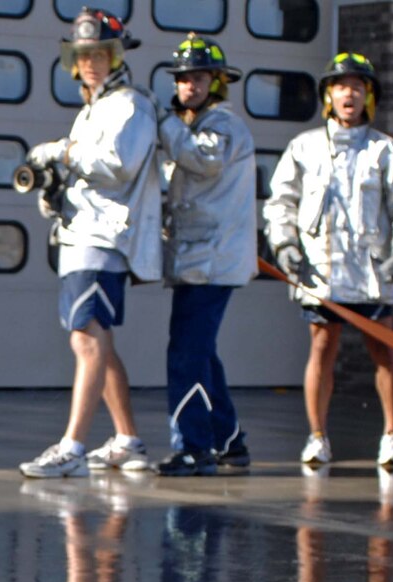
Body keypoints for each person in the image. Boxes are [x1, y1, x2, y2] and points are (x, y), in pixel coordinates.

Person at [261, 52, 393, 470]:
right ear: (328, 96)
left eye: (357, 86)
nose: (348, 93)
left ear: (368, 96)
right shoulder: (304, 147)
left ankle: (392, 437)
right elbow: (280, 201)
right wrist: (283, 245)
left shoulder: (386, 151)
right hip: (320, 270)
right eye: (340, 86)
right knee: (322, 346)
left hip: (373, 273)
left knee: (383, 350)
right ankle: (317, 437)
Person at [18, 7, 162, 479]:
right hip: (81, 234)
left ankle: (73, 446)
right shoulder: (93, 109)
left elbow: (118, 164)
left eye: (100, 53)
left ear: (117, 55)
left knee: (86, 339)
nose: (91, 63)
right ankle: (127, 439)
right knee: (98, 337)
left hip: (104, 238)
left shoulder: (131, 105)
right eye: (83, 55)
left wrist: (62, 151)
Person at [153, 34, 257, 477]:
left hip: (211, 263)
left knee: (187, 356)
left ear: (216, 82)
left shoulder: (223, 127)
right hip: (198, 260)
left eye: (197, 77)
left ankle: (194, 447)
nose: (187, 86)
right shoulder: (191, 127)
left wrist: (163, 123)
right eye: (182, 78)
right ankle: (229, 441)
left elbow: (204, 162)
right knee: (202, 354)